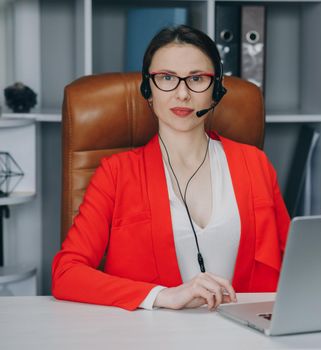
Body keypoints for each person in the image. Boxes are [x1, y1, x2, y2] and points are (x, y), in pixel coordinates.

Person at [52, 25, 290, 311]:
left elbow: (296, 261)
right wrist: (162, 296)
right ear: (147, 89)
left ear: (215, 90)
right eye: (166, 78)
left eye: (197, 78)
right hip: (154, 336)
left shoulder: (255, 163)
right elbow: (67, 273)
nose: (182, 94)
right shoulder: (116, 173)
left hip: (247, 333)